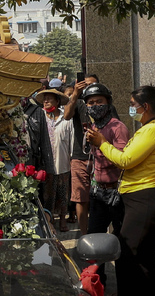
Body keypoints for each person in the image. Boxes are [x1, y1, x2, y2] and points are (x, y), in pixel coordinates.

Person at [85, 86, 155, 296]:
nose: (130, 107)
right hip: (136, 196)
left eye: (133, 103)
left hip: (146, 197)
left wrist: (102, 143)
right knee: (137, 252)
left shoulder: (153, 130)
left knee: (137, 253)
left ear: (145, 107)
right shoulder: (145, 129)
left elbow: (125, 160)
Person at [64, 81, 112, 234]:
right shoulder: (79, 104)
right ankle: (84, 235)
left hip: (103, 156)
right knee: (81, 198)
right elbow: (66, 115)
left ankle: (104, 234)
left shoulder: (108, 108)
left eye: (92, 83)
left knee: (104, 196)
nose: (94, 104)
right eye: (85, 85)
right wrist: (75, 95)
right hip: (80, 156)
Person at [37, 88, 72, 231]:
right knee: (47, 195)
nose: (46, 101)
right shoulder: (41, 117)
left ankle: (63, 219)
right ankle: (49, 221)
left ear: (57, 102)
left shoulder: (66, 119)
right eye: (45, 99)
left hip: (63, 162)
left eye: (49, 99)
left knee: (63, 193)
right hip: (46, 165)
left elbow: (71, 140)